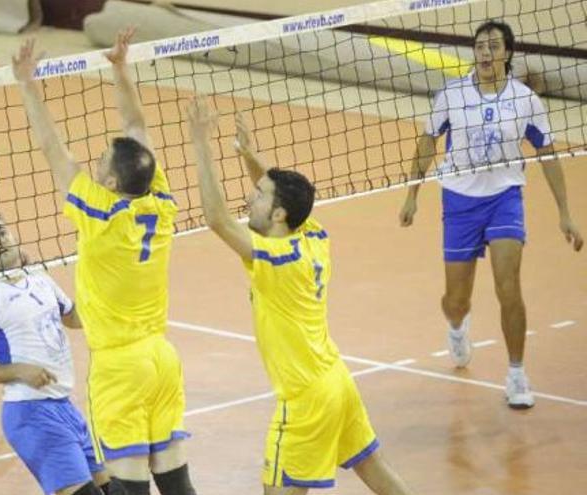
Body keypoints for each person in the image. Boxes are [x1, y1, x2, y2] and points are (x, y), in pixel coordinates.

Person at [187, 98, 415, 494]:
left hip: (305, 399)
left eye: (257, 196)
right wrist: (249, 156)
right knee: (375, 470)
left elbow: (216, 219)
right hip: (335, 381)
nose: (248, 200)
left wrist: (200, 141)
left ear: (278, 215)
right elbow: (281, 197)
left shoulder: (275, 258)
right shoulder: (312, 235)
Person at [12, 29, 197, 495]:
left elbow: (53, 152)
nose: (93, 164)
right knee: (176, 484)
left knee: (128, 488)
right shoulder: (161, 201)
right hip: (161, 358)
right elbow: (140, 135)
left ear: (112, 180)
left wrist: (27, 85)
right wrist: (119, 69)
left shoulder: (102, 213)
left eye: (100, 162)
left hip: (120, 367)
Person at [398, 20, 582, 409]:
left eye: (493, 46)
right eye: (480, 46)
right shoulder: (452, 94)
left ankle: (516, 374)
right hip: (460, 199)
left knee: (508, 286)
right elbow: (428, 141)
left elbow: (546, 153)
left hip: (505, 197)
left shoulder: (525, 100)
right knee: (456, 299)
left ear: (507, 53)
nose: (485, 52)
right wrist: (411, 193)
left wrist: (565, 213)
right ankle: (457, 325)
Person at [0, 218, 126, 495]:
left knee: (116, 490)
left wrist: (109, 296)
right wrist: (20, 370)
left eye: (2, 232)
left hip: (65, 406)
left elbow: (72, 316)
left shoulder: (39, 278)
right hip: (30, 413)